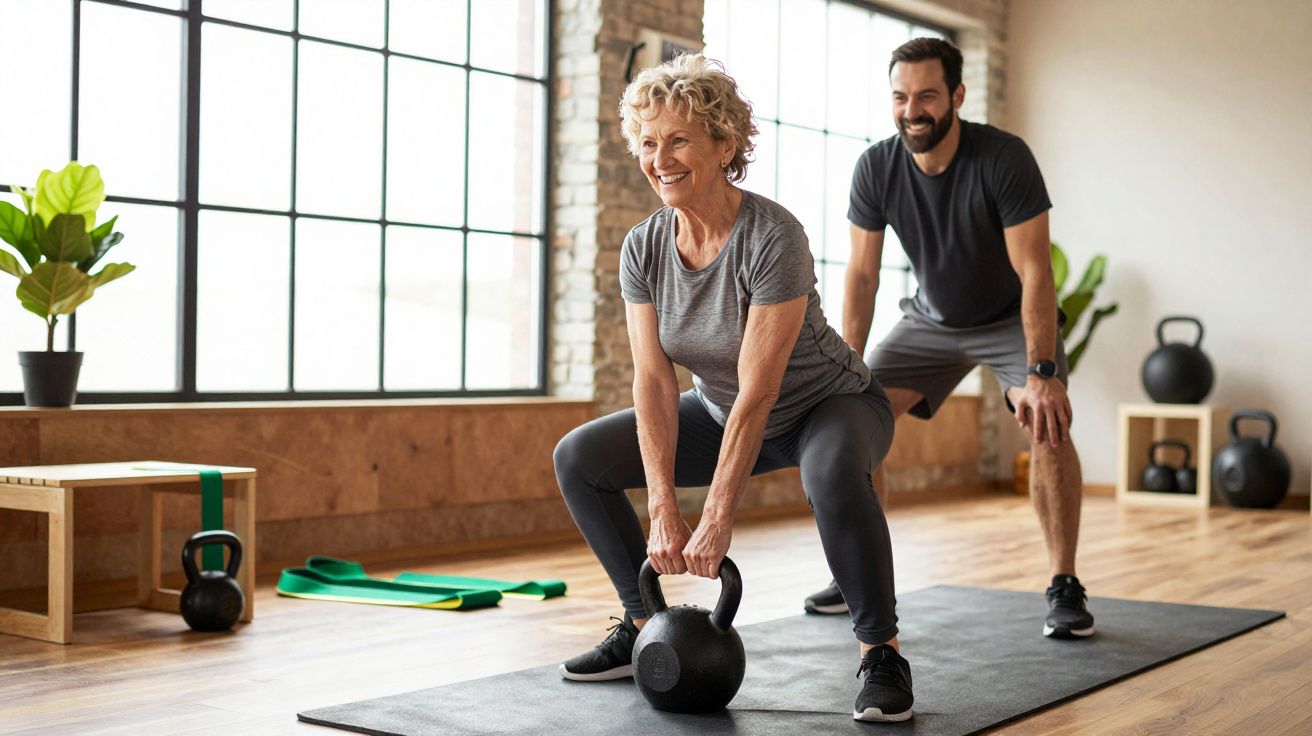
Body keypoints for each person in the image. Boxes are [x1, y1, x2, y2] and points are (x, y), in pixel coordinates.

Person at [552, 54, 915, 722]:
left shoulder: (773, 236)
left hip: (828, 405)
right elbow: (653, 379)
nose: (660, 159)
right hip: (720, 410)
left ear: (725, 144)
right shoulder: (644, 248)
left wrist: (717, 516)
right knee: (579, 458)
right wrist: (663, 506)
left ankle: (880, 653)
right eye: (648, 143)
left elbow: (760, 389)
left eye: (679, 140)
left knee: (832, 471)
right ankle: (643, 626)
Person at [802, 38, 1095, 641]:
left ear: (957, 96)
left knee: (1047, 422)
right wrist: (847, 369)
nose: (913, 110)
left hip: (1008, 320)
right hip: (930, 323)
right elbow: (862, 275)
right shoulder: (876, 167)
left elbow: (1035, 271)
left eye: (928, 96)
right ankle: (858, 575)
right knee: (850, 420)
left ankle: (1063, 581)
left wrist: (1041, 372)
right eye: (901, 97)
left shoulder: (1004, 158)